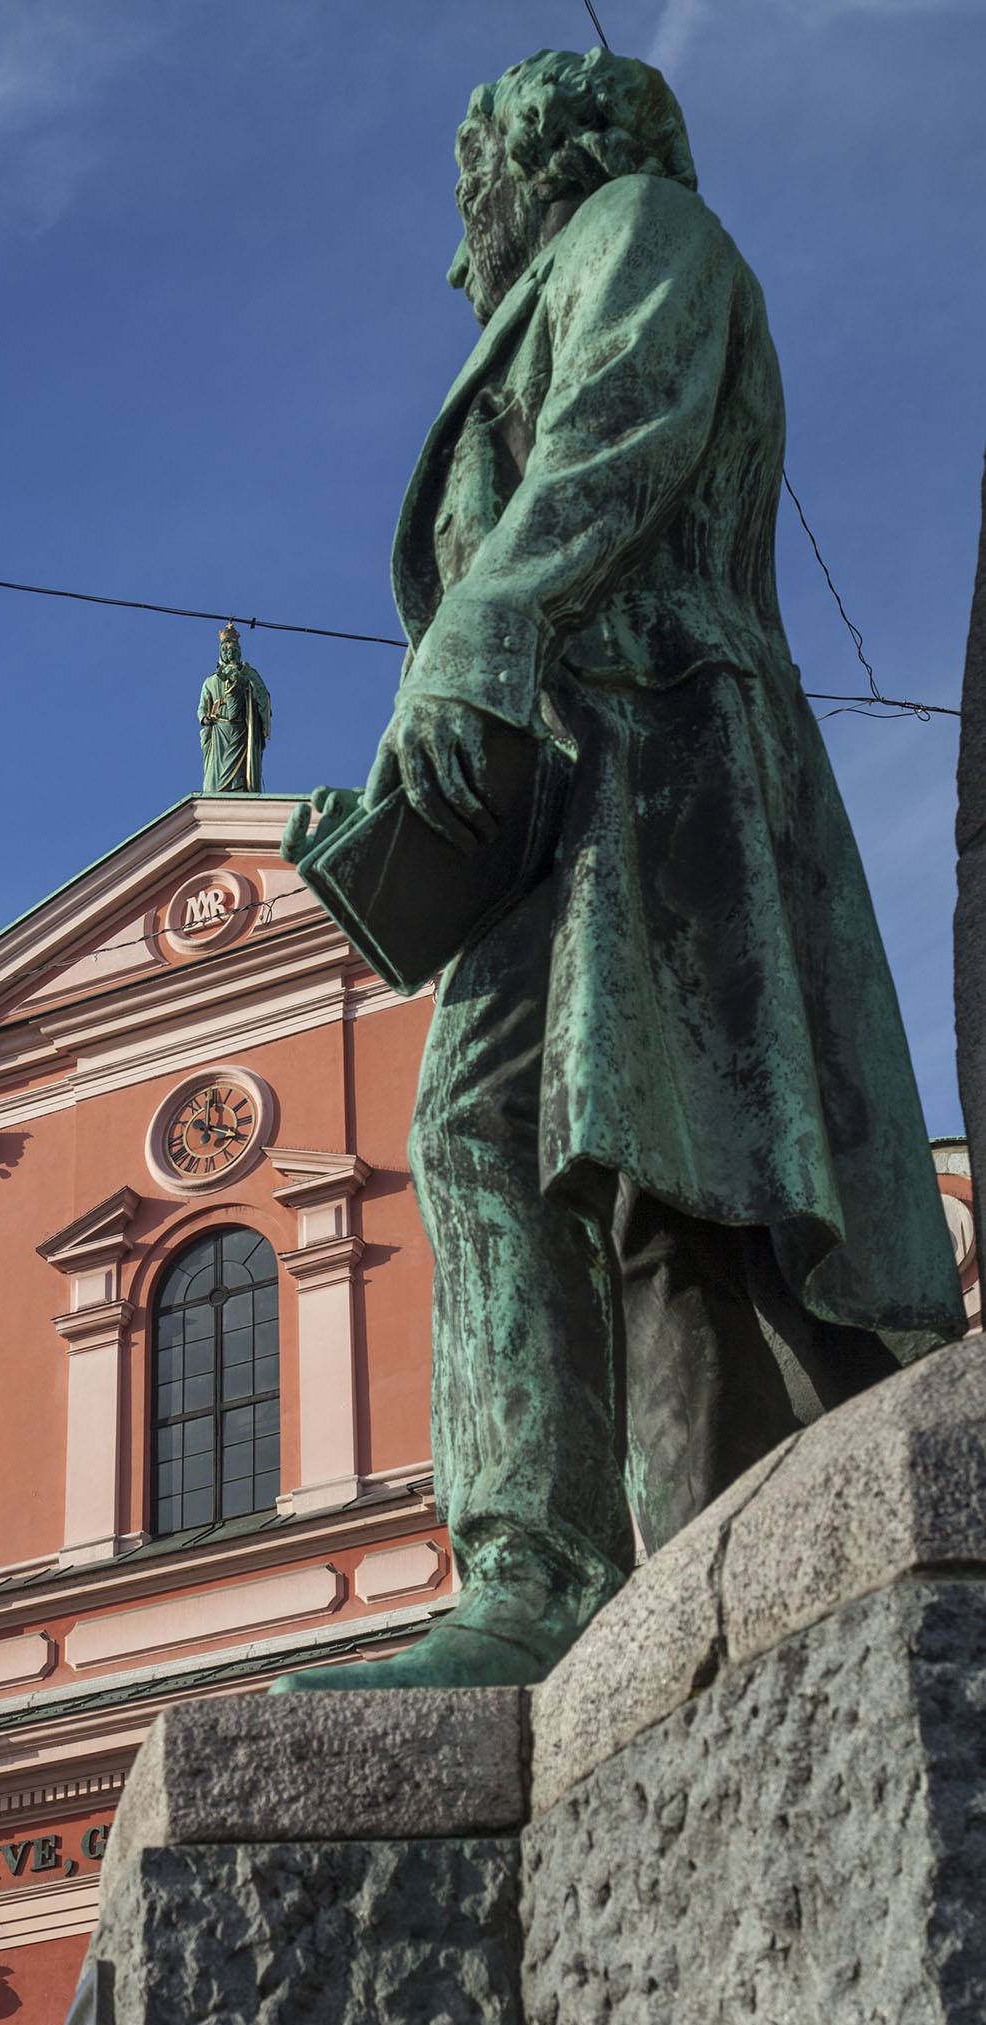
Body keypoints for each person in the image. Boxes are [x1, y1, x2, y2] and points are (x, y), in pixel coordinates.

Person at [279, 47, 964, 1692]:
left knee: (570, 1141)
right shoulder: (571, 269)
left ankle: (542, 1578)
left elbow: (616, 426)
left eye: (470, 207)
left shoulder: (637, 227)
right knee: (558, 1139)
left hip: (657, 746)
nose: (461, 257)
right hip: (571, 781)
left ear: (532, 164)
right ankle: (556, 1570)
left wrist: (490, 620)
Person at [198, 623, 271, 792]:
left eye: (234, 649)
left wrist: (248, 680)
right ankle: (218, 790)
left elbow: (262, 696)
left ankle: (239, 788)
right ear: (221, 653)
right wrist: (204, 717)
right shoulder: (210, 681)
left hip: (241, 728)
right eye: (226, 649)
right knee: (217, 768)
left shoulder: (248, 674)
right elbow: (202, 706)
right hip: (219, 730)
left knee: (239, 769)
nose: (230, 653)